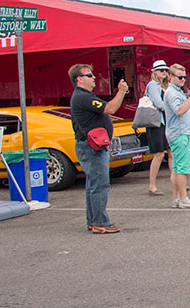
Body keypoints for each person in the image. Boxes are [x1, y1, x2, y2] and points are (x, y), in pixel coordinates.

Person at [69, 64, 128, 234]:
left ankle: (93, 220)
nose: (94, 77)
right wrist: (122, 91)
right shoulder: (82, 97)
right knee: (100, 185)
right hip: (91, 147)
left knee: (93, 184)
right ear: (79, 79)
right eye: (89, 75)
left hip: (92, 146)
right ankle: (100, 222)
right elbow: (109, 109)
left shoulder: (84, 96)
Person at [164, 63, 190, 209]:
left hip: (177, 133)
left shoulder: (176, 91)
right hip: (180, 134)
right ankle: (183, 198)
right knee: (182, 169)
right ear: (170, 77)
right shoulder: (172, 93)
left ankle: (177, 198)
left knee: (176, 168)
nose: (182, 80)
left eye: (184, 77)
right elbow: (179, 111)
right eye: (179, 77)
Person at [144, 60, 173, 196]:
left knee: (171, 152)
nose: (164, 72)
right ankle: (152, 185)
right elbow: (159, 104)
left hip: (164, 122)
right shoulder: (153, 85)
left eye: (165, 70)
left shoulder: (164, 85)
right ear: (154, 72)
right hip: (156, 123)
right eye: (161, 70)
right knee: (159, 154)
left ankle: (176, 181)